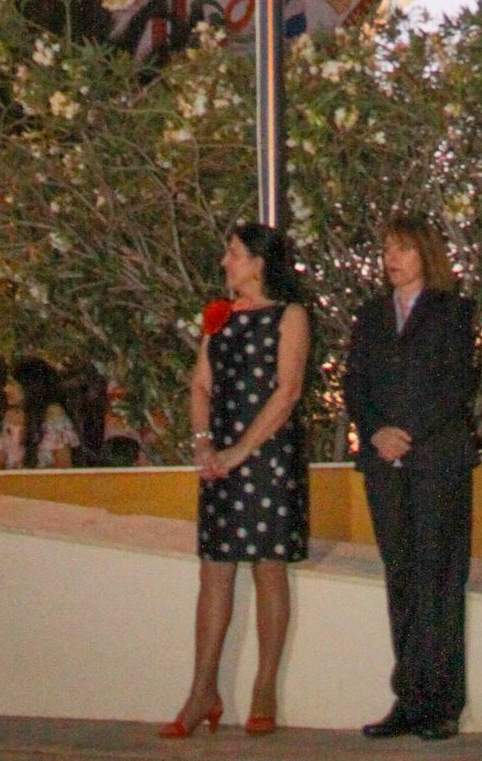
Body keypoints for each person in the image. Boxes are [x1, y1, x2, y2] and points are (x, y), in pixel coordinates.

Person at [161, 223, 309, 739]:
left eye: (234, 253)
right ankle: (203, 689)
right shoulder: (218, 316)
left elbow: (287, 392)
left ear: (259, 263)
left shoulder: (290, 315)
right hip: (220, 458)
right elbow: (200, 384)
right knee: (215, 570)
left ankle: (264, 688)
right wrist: (203, 443)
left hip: (268, 457)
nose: (225, 261)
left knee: (269, 567)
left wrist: (240, 451)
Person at [344, 213, 478, 744]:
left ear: (425, 253)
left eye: (402, 249)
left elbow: (456, 384)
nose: (391, 259)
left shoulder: (452, 312)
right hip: (385, 465)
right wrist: (375, 431)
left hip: (437, 461)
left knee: (438, 580)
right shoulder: (371, 315)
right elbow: (355, 383)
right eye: (386, 250)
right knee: (400, 577)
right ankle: (410, 698)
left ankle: (442, 702)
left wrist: (409, 432)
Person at [11, 356, 80, 469]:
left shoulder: (53, 414)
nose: (7, 389)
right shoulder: (18, 415)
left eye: (15, 385)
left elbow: (63, 465)